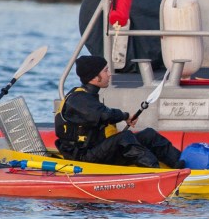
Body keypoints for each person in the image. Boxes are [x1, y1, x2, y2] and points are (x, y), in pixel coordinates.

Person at [55, 56, 184, 168]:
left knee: (149, 135)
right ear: (94, 77)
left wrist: (124, 117)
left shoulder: (89, 97)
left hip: (97, 151)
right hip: (82, 157)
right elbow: (104, 114)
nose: (109, 74)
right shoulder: (77, 99)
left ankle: (183, 165)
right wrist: (125, 116)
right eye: (105, 71)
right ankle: (156, 171)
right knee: (124, 137)